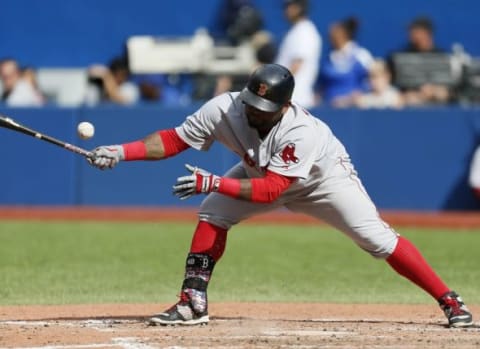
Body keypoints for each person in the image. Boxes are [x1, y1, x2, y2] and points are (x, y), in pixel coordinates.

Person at [87, 64, 473, 328]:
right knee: (213, 213)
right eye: (251, 104)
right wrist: (120, 152)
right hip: (262, 172)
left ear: (285, 105)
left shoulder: (300, 130)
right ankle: (193, 301)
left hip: (323, 180)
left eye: (265, 108)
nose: (255, 112)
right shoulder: (224, 107)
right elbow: (173, 140)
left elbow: (273, 190)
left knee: (377, 239)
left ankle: (449, 300)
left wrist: (215, 182)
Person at [387, 16, 451, 106]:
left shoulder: (442, 56)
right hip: (407, 106)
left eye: (415, 31)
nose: (411, 34)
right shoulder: (399, 56)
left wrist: (433, 91)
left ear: (427, 33)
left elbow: (447, 89)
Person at [316, 17, 374, 108]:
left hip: (354, 110)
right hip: (329, 108)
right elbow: (321, 86)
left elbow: (372, 81)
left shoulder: (361, 55)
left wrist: (351, 99)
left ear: (344, 34)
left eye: (334, 33)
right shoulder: (328, 58)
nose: (330, 37)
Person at [275, 0, 321, 109]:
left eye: (288, 5)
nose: (285, 10)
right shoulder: (296, 30)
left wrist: (274, 86)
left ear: (299, 8)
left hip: (295, 100)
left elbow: (296, 65)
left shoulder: (305, 31)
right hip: (288, 99)